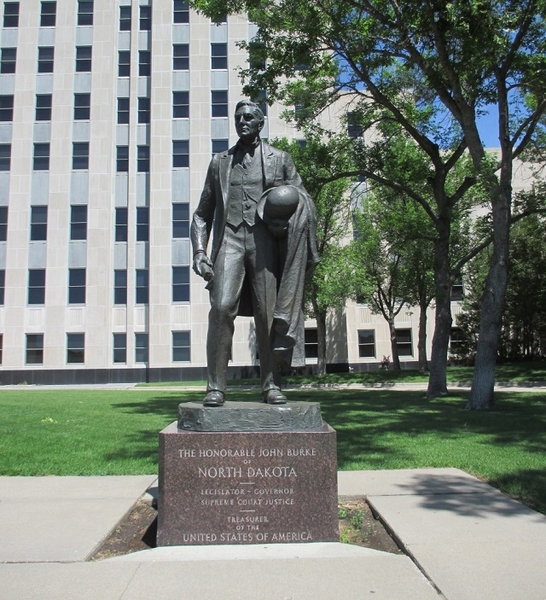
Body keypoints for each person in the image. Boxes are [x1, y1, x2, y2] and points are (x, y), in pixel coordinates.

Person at [191, 100, 319, 407]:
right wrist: (199, 251)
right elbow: (201, 214)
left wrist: (291, 209)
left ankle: (271, 385)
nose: (242, 121)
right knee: (221, 308)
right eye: (238, 118)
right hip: (230, 241)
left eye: (249, 117)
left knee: (267, 315)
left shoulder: (280, 159)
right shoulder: (219, 162)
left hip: (264, 243)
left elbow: (303, 198)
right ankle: (216, 387)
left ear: (260, 123)